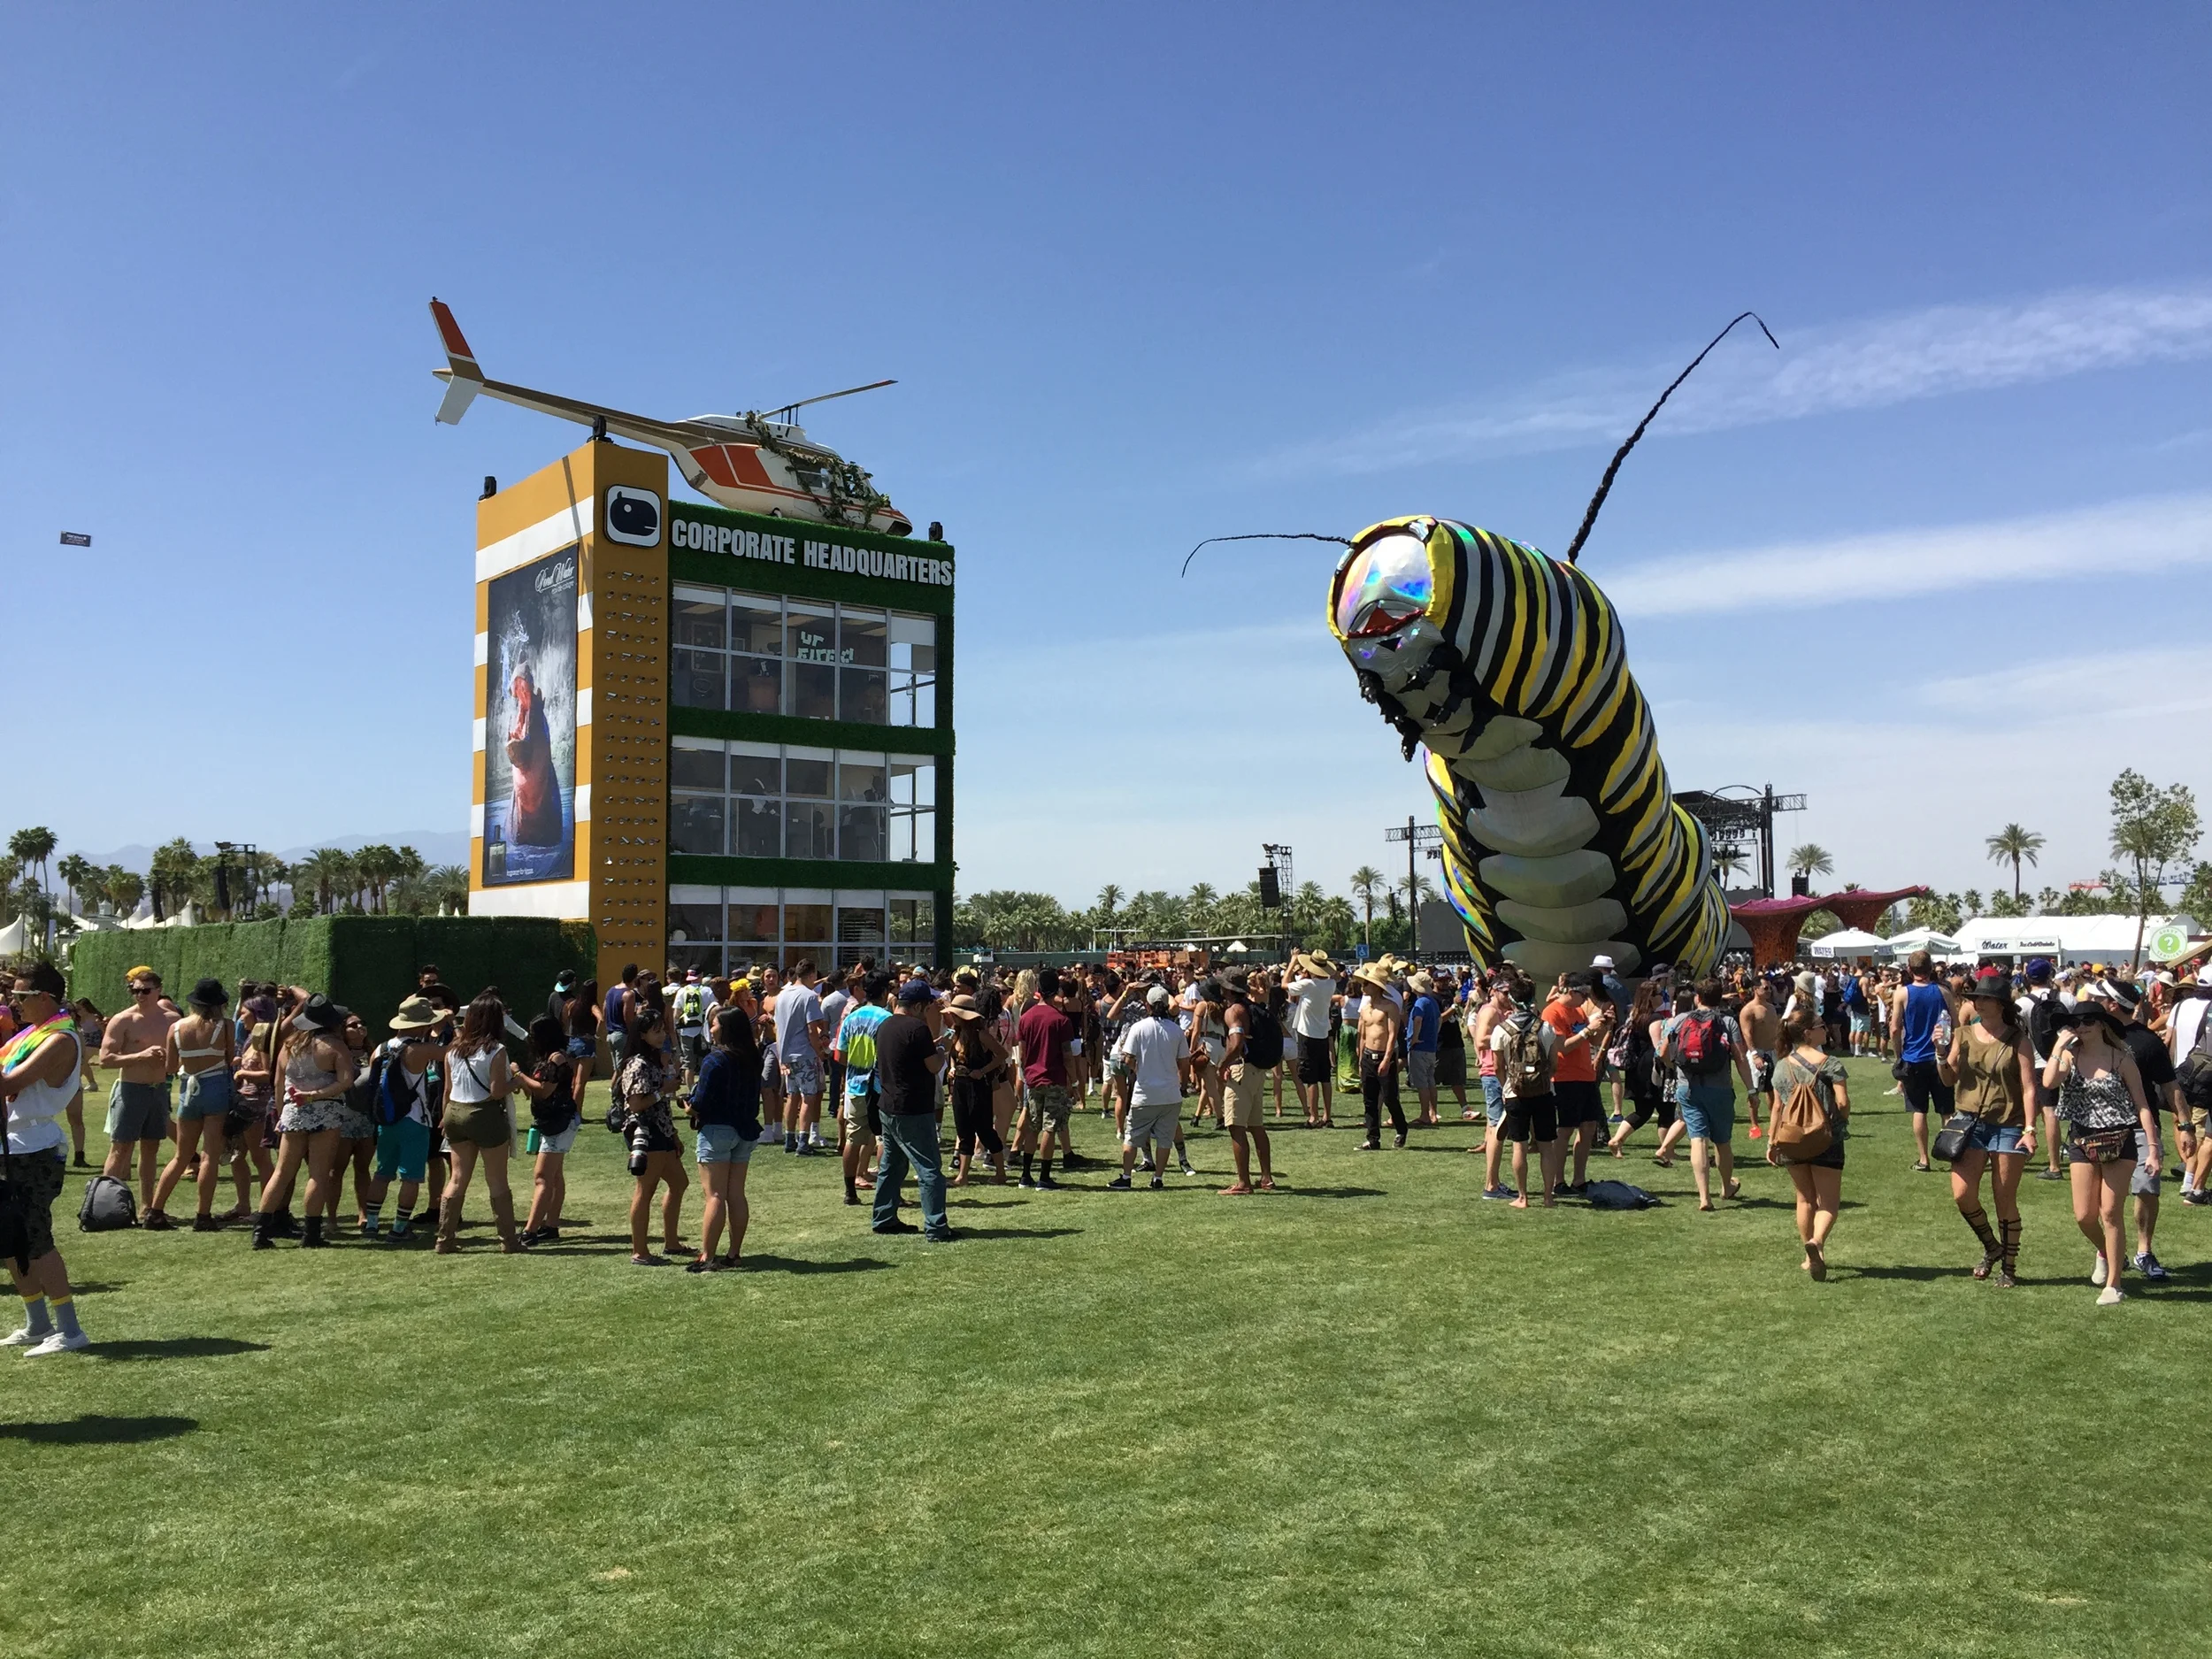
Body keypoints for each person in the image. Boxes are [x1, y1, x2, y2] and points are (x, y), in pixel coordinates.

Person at [2046, 982, 2159, 1305]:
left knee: (2110, 1211)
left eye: (2088, 1022)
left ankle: (2114, 1284)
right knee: (2084, 1215)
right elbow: (2049, 1082)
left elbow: (2142, 1104)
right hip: (2082, 1138)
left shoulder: (2121, 1058)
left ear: (2102, 1025)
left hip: (2119, 1138)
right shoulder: (2070, 1054)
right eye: (2076, 1023)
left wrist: (2152, 1148)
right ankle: (2109, 1252)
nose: (2081, 1027)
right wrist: (2059, 1047)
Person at [2, 963, 92, 1354]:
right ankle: (37, 1322)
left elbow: (8, 1082)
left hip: (32, 1148)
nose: (13, 1004)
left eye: (20, 997)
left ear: (44, 998)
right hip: (12, 1143)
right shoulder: (34, 1033)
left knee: (37, 1239)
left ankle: (70, 1330)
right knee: (9, 1241)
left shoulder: (60, 1039)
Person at [1938, 967, 2039, 1286]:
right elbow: (1948, 1079)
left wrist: (2030, 1129)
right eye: (1976, 997)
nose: (1979, 1003)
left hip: (2009, 1125)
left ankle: (2009, 1267)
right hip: (1968, 1123)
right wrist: (1941, 1055)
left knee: (2004, 1198)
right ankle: (1992, 1247)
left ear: (2000, 1004)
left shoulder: (2018, 1040)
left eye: (1986, 998)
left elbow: (2028, 1087)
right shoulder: (1963, 1034)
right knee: (1962, 1195)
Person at [253, 994, 357, 1249]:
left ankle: (261, 1231)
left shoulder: (288, 1046)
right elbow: (346, 1081)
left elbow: (277, 1085)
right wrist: (316, 1095)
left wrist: (280, 1115)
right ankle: (311, 1233)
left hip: (292, 1112)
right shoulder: (335, 1046)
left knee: (282, 1173)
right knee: (318, 1175)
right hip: (325, 1111)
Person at [434, 992, 526, 1255]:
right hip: (484, 1114)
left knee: (457, 1178)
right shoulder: (496, 1050)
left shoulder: (453, 1049)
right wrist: (516, 1081)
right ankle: (509, 1241)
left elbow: (447, 1090)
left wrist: (444, 1117)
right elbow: (497, 1091)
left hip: (454, 1112)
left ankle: (444, 1238)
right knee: (497, 1180)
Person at [145, 978, 235, 1232]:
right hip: (215, 1086)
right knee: (210, 1155)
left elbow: (171, 1068)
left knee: (181, 1155)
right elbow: (229, 1060)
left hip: (188, 1089)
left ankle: (155, 1210)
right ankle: (203, 1215)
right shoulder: (225, 1026)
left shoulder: (176, 1027)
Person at [1766, 1008, 1849, 1279]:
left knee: (1803, 1199)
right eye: (1821, 1026)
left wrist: (1771, 1141)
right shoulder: (1831, 1063)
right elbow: (1842, 1102)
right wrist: (1842, 1120)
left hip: (1791, 1139)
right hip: (1826, 1138)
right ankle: (1817, 1243)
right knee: (1828, 1203)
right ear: (1808, 1033)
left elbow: (1778, 1107)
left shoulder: (1781, 1066)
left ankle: (1809, 1257)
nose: (1825, 1030)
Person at [1664, 977, 1758, 1212]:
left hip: (1688, 1087)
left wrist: (1675, 1068)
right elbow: (1739, 1057)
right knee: (1722, 1142)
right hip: (1720, 1087)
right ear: (1720, 998)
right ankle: (1726, 1186)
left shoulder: (1679, 1020)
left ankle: (1704, 1197)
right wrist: (1751, 1089)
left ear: (1697, 998)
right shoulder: (1728, 1022)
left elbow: (1663, 1051)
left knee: (1698, 1140)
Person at [871, 979, 952, 1240]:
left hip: (888, 1105)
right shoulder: (917, 1028)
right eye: (928, 1004)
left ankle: (884, 1217)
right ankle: (937, 1226)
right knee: (929, 1169)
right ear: (917, 1006)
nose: (930, 1009)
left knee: (892, 1166)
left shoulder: (885, 1025)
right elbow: (933, 1065)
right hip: (913, 1108)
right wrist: (942, 1049)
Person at [2108, 979, 2179, 1283]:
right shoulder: (2093, 1037)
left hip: (2141, 1128)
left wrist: (2185, 1124)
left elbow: (2170, 1085)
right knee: (2109, 1198)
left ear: (2113, 1005)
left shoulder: (2147, 1041)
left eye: (2100, 998)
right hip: (2103, 1129)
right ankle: (2111, 1252)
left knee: (2147, 1189)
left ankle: (2144, 1251)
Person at [360, 997, 443, 1241]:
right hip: (414, 1118)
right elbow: (454, 1052)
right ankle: (399, 1227)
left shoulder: (381, 1048)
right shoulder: (420, 1050)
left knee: (382, 1173)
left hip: (386, 1118)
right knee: (411, 1176)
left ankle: (372, 1225)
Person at [687, 1001, 762, 1271]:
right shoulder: (753, 1056)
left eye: (716, 1022)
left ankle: (707, 1256)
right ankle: (734, 1254)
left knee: (714, 1195)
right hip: (745, 1129)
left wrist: (688, 1107)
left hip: (717, 1130)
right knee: (736, 1194)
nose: (712, 1025)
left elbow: (701, 1102)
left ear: (726, 1028)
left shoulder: (715, 1059)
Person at [97, 965, 178, 1214]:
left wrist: (169, 1061)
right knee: (120, 1148)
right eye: (135, 991)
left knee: (151, 1148)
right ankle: (103, 1206)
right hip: (130, 1089)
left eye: (145, 991)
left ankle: (147, 1206)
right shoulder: (124, 1019)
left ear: (159, 991)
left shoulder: (172, 1021)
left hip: (158, 1090)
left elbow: (182, 1057)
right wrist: (141, 1056)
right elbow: (105, 1059)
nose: (139, 995)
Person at [618, 1002, 687, 1264]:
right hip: (645, 1133)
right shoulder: (638, 1064)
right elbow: (636, 1104)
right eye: (656, 1031)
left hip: (662, 1131)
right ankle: (640, 1252)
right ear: (642, 1034)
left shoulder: (652, 1060)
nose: (662, 1035)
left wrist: (674, 1135)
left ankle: (671, 1243)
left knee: (679, 1183)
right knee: (645, 1190)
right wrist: (665, 1090)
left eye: (662, 1030)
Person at [1489, 975, 1560, 1209]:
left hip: (1514, 1094)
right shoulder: (1546, 1028)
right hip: (1543, 1092)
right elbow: (1554, 1064)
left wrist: (1505, 1086)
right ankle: (1549, 1197)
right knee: (1546, 1146)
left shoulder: (1502, 1030)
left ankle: (1523, 1197)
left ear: (1511, 999)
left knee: (1518, 1145)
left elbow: (1498, 1066)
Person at [511, 1014, 580, 1246]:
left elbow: (544, 1090)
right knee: (555, 1177)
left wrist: (519, 1075)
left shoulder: (557, 1059)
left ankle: (530, 1231)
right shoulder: (548, 1058)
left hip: (559, 1123)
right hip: (551, 1122)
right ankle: (551, 1226)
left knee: (542, 1177)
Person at [1110, 985, 1188, 1191]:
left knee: (1132, 1136)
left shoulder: (1139, 1028)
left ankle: (1126, 1177)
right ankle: (1158, 1178)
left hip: (1145, 1093)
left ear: (1148, 1005)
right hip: (1170, 1093)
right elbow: (1184, 1063)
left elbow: (1127, 1058)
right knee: (1164, 1138)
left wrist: (1139, 1069)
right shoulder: (1176, 1030)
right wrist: (1183, 1085)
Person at [1544, 972, 1615, 1194]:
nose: (1586, 999)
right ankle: (1557, 1181)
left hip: (1585, 1076)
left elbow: (1592, 1040)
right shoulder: (1552, 1012)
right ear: (1571, 991)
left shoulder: (1579, 1011)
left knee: (1588, 1127)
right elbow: (1562, 1047)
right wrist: (1587, 1030)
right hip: (1564, 1077)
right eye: (1583, 994)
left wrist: (1604, 1025)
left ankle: (1579, 1179)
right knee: (1564, 1130)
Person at [1889, 949, 1956, 1172]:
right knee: (1946, 1109)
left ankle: (1923, 1159)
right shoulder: (1943, 992)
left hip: (1913, 1057)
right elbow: (1956, 1025)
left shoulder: (1902, 993)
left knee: (1919, 1110)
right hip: (1939, 1057)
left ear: (1909, 969)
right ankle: (1951, 1155)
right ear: (1931, 969)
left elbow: (1895, 1028)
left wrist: (1898, 1055)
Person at [1217, 969, 1279, 1195]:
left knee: (1236, 1126)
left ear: (1227, 989)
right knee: (1256, 1126)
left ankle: (1243, 1183)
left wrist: (1223, 1065)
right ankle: (1266, 1178)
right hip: (1256, 1071)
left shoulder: (1234, 1011)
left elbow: (1236, 1043)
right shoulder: (1252, 1007)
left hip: (1241, 1071)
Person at [833, 971, 893, 1203]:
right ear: (885, 992)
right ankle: (888, 1193)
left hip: (855, 1086)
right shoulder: (886, 1018)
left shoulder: (851, 1017)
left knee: (853, 1139)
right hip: (879, 1087)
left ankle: (850, 1192)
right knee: (884, 1140)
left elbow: (840, 1056)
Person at [1016, 968, 1077, 1189]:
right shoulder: (1061, 1020)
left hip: (1033, 1078)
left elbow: (1022, 1054)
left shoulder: (1026, 1018)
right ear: (1056, 990)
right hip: (1054, 1078)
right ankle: (1044, 1176)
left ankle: (1025, 1175)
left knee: (1032, 1126)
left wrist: (1026, 1073)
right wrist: (1075, 1082)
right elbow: (1068, 1056)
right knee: (1050, 1127)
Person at [1605, 979, 1675, 1160]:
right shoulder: (1655, 1019)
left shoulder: (1634, 1016)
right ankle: (1667, 1149)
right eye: (1660, 994)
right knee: (1666, 1108)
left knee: (1642, 1111)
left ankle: (1617, 1140)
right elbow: (1658, 1047)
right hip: (1652, 1069)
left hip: (1636, 1068)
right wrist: (1671, 1064)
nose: (1663, 997)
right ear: (1651, 998)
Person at [945, 992, 1010, 1186]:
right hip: (960, 1086)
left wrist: (982, 1071)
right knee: (963, 1129)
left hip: (978, 1087)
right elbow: (953, 1056)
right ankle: (962, 1176)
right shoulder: (956, 1033)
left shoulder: (980, 1034)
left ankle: (1000, 1172)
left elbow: (1002, 1054)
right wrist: (952, 1069)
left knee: (984, 1130)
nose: (952, 1017)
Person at [1469, 976, 1517, 1200]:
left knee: (1494, 1128)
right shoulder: (1490, 1012)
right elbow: (1480, 1041)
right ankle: (1491, 1186)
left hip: (1499, 1072)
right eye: (1505, 993)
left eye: (1511, 992)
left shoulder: (1501, 1013)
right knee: (1499, 1129)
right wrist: (1508, 1030)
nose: (1509, 997)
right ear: (1494, 992)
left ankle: (1494, 1182)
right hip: (1492, 1073)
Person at [773, 958, 828, 1155]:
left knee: (792, 1096)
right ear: (812, 975)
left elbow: (777, 1026)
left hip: (787, 1054)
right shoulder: (809, 996)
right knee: (808, 1098)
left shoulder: (782, 995)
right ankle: (803, 1142)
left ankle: (790, 1139)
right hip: (804, 1053)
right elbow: (812, 1029)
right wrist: (819, 1051)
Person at [1353, 966, 1406, 1150]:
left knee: (1390, 1097)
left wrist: (1387, 1059)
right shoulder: (1365, 1009)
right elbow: (1362, 1035)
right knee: (1369, 1099)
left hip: (1384, 1056)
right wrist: (1360, 1058)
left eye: (1366, 984)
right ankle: (1373, 1138)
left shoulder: (1390, 1007)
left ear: (1376, 986)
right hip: (1368, 1056)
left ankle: (1401, 1129)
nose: (1363, 987)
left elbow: (1392, 1034)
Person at [1736, 977, 1780, 1141]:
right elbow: (1746, 1034)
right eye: (1765, 988)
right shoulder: (1748, 1010)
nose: (1768, 991)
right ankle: (1754, 1124)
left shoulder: (1771, 1008)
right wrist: (1754, 1054)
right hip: (1757, 1053)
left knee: (1772, 1090)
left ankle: (1773, 1122)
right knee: (1754, 1090)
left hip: (1772, 1052)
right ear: (1756, 989)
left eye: (1769, 988)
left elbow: (1775, 1030)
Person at [1404, 971, 1443, 1129]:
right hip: (1431, 1047)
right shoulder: (1432, 1001)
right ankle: (1433, 1113)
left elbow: (1418, 1020)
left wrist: (1414, 1038)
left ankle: (1424, 1115)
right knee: (1430, 1081)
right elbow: (1440, 1019)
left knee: (1422, 1083)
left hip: (1420, 1048)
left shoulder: (1420, 1003)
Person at [672, 971, 709, 1086]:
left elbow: (676, 1014)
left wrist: (677, 1027)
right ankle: (704, 1089)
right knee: (705, 1062)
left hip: (686, 1031)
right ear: (701, 975)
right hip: (703, 1031)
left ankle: (691, 1091)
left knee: (689, 1064)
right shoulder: (707, 991)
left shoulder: (682, 991)